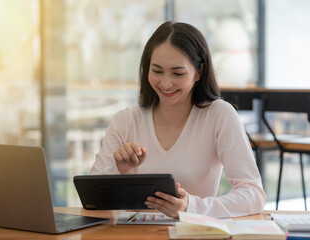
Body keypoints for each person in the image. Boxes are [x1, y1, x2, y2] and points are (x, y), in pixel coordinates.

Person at [90, 21, 266, 219]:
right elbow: (92, 198)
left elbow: (253, 194)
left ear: (199, 72)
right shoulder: (126, 120)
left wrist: (191, 207)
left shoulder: (219, 115)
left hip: (194, 232)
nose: (165, 83)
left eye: (178, 73)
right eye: (157, 71)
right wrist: (119, 170)